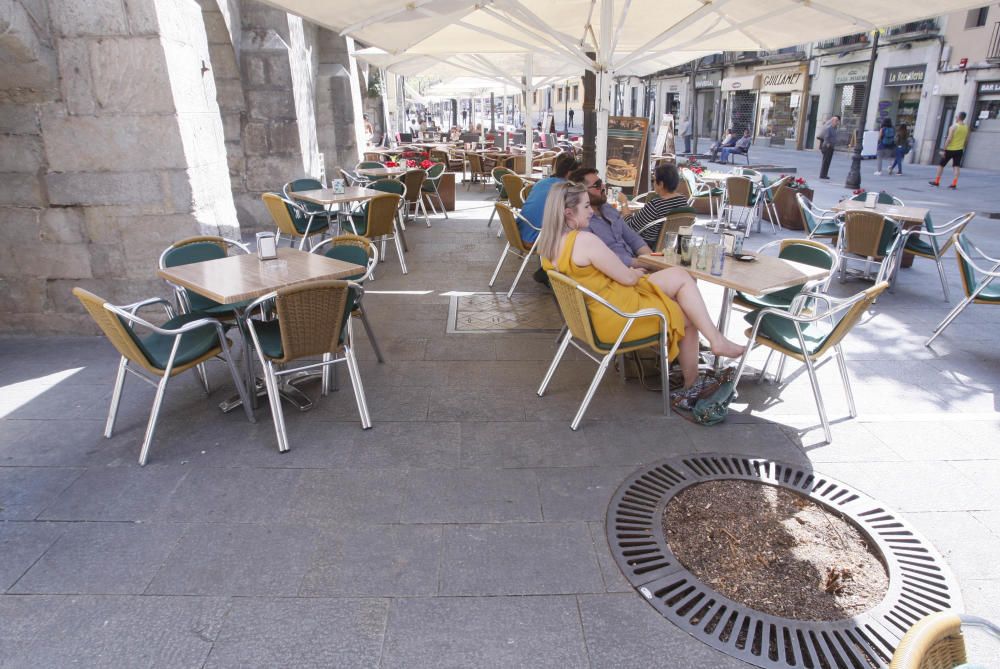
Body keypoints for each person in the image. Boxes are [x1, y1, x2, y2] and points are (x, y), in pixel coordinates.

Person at [537, 182, 745, 392]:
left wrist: (632, 275)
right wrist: (635, 273)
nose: (591, 211)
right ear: (568, 213)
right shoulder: (585, 241)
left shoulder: (548, 243)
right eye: (586, 206)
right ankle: (692, 384)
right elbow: (627, 279)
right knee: (689, 318)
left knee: (681, 276)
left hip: (594, 313)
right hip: (617, 314)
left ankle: (715, 341)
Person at [570, 166, 652, 267]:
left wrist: (651, 259)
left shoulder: (608, 209)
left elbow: (633, 239)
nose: (603, 187)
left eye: (602, 183)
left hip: (636, 265)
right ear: (582, 192)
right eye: (597, 185)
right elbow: (601, 258)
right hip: (615, 270)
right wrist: (641, 264)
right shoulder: (582, 222)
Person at [621, 163, 691, 247]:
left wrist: (624, 202)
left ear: (661, 184)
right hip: (670, 246)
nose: (653, 183)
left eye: (653, 180)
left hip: (645, 247)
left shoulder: (655, 205)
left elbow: (630, 227)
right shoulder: (683, 201)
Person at [519, 153, 581, 244]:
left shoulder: (541, 182)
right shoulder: (565, 189)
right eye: (577, 173)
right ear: (569, 173)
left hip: (519, 231)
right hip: (537, 237)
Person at [930, 111, 969, 189]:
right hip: (959, 150)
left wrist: (944, 149)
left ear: (959, 117)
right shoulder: (966, 127)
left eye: (956, 116)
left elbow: (949, 139)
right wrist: (962, 146)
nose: (955, 117)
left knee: (941, 165)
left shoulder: (953, 127)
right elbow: (966, 140)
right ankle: (954, 183)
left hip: (950, 149)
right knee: (956, 166)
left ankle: (937, 181)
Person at [816, 115, 840, 180]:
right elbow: (826, 137)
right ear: (832, 121)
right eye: (836, 121)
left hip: (831, 147)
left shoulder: (835, 128)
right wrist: (828, 144)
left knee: (828, 161)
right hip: (827, 147)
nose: (837, 122)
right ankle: (822, 175)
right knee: (825, 161)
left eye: (837, 121)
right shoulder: (829, 128)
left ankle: (825, 174)